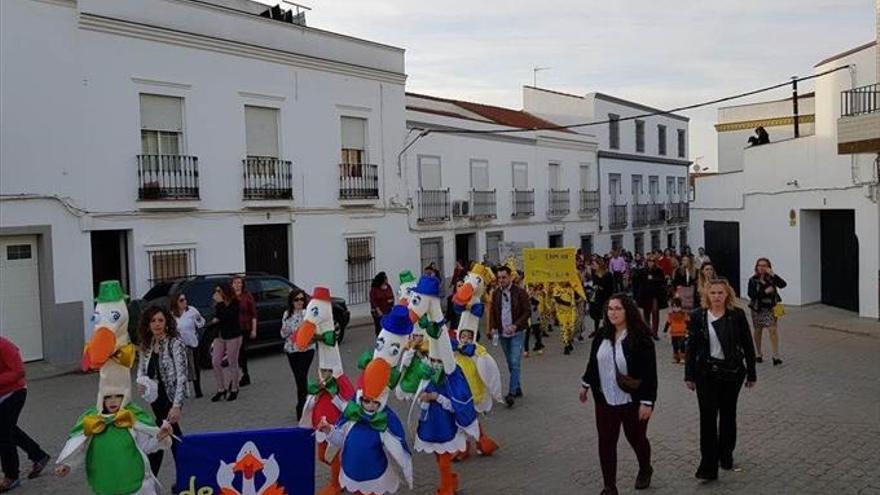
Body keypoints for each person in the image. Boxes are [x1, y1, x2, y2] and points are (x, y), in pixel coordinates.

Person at [579, 294, 657, 495]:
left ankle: (645, 468)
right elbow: (593, 363)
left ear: (628, 311)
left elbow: (649, 373)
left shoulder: (640, 338)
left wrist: (647, 402)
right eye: (610, 309)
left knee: (636, 438)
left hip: (633, 400)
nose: (612, 313)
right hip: (604, 398)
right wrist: (585, 384)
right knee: (606, 441)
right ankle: (609, 487)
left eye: (617, 309)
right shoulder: (601, 335)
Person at [685, 278, 757, 481]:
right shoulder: (698, 316)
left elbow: (747, 345)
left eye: (720, 293)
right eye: (713, 293)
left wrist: (751, 372)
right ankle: (708, 466)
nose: (717, 296)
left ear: (728, 295)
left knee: (727, 415)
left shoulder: (737, 315)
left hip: (731, 373)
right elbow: (691, 347)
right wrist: (689, 375)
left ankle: (726, 453)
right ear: (707, 295)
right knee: (707, 419)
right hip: (706, 374)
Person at [136, 305, 188, 477]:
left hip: (170, 397)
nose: (157, 324)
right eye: (153, 321)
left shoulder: (175, 343)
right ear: (148, 324)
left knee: (164, 434)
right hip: (155, 399)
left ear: (167, 323)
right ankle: (185, 474)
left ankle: (154, 479)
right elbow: (142, 370)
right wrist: (141, 383)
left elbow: (182, 376)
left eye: (160, 320)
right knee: (168, 434)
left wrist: (177, 406)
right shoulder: (147, 344)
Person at [0, 337, 51, 492]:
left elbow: (18, 371)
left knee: (3, 434)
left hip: (14, 392)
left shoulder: (4, 345)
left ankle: (12, 476)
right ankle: (38, 455)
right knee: (8, 429)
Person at [487, 265, 530, 407]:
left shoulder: (520, 292)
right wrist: (492, 327)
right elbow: (493, 312)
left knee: (515, 361)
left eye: (504, 277)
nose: (501, 280)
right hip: (502, 333)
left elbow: (527, 312)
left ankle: (511, 393)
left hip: (517, 332)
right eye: (499, 278)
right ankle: (517, 387)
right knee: (510, 362)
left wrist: (515, 325)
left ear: (510, 277)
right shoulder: (496, 293)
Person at [279, 289, 314, 420]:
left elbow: (313, 329)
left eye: (301, 299)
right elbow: (283, 334)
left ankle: (302, 407)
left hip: (307, 349)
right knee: (299, 378)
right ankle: (303, 406)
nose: (299, 302)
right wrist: (288, 327)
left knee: (302, 376)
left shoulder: (308, 313)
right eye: (296, 300)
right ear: (292, 301)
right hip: (292, 350)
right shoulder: (287, 314)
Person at [747, 258, 787, 366]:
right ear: (756, 267)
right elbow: (752, 295)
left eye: (765, 265)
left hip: (772, 308)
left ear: (768, 267)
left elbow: (783, 285)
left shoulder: (772, 278)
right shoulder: (753, 280)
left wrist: (773, 274)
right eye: (760, 265)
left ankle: (775, 356)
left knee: (772, 329)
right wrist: (765, 292)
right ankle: (758, 353)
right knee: (758, 330)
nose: (762, 268)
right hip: (758, 309)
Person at [169, 291, 206, 398]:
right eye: (181, 300)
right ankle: (182, 391)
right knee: (180, 369)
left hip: (192, 343)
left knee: (194, 366)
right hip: (179, 346)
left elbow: (201, 322)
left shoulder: (191, 310)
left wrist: (198, 320)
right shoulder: (172, 315)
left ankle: (197, 389)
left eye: (185, 299)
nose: (184, 302)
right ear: (176, 302)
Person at [209, 283, 241, 402]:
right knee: (215, 361)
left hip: (232, 335)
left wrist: (221, 304)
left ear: (225, 291)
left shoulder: (235, 302)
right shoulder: (218, 304)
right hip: (219, 335)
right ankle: (221, 389)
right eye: (216, 290)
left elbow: (229, 317)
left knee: (232, 362)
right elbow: (219, 316)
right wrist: (218, 309)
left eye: (219, 290)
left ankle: (234, 388)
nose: (216, 293)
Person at [232, 275, 257, 387]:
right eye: (235, 283)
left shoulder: (247, 296)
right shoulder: (230, 297)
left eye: (239, 283)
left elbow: (254, 314)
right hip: (233, 328)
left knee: (241, 352)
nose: (237, 285)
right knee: (234, 353)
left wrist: (254, 330)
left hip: (245, 328)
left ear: (242, 284)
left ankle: (245, 375)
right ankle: (237, 376)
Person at [633, 256, 665, 340]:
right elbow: (638, 282)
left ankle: (655, 332)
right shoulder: (643, 271)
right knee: (646, 313)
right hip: (645, 295)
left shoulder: (658, 270)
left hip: (655, 295)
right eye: (649, 261)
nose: (650, 263)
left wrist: (653, 279)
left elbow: (662, 281)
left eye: (652, 261)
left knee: (655, 312)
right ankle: (648, 331)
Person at [589, 258, 614, 338]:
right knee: (596, 315)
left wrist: (599, 287)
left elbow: (609, 287)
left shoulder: (607, 274)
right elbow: (595, 284)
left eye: (594, 264)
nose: (593, 266)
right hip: (598, 297)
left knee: (606, 315)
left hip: (606, 297)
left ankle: (608, 330)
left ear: (599, 265)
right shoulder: (595, 274)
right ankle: (596, 331)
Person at [554, 282, 578, 355]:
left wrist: (577, 289)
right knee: (564, 328)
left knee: (571, 328)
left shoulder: (571, 288)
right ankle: (566, 346)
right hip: (562, 313)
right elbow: (557, 299)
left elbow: (577, 298)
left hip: (571, 312)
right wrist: (568, 303)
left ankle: (569, 340)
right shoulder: (557, 288)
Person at [663, 297, 689, 364]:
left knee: (682, 345)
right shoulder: (671, 315)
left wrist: (689, 330)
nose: (675, 309)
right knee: (675, 345)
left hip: (682, 333)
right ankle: (675, 356)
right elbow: (668, 323)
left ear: (680, 306)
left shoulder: (684, 314)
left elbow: (687, 322)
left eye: (677, 307)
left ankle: (682, 357)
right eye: (673, 307)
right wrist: (665, 331)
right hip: (674, 333)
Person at [369, 271, 395, 337]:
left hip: (388, 310)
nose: (387, 279)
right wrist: (378, 310)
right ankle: (380, 341)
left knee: (388, 327)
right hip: (378, 312)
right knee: (380, 328)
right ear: (382, 279)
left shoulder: (388, 286)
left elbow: (392, 296)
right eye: (386, 278)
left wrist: (391, 302)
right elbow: (373, 300)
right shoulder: (375, 289)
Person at [524, 284, 545, 356]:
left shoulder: (536, 295)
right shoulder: (524, 296)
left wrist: (531, 297)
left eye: (531, 290)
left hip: (535, 317)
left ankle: (539, 348)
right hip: (527, 318)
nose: (530, 291)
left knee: (537, 333)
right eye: (529, 289)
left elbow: (537, 302)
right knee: (526, 334)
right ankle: (526, 350)